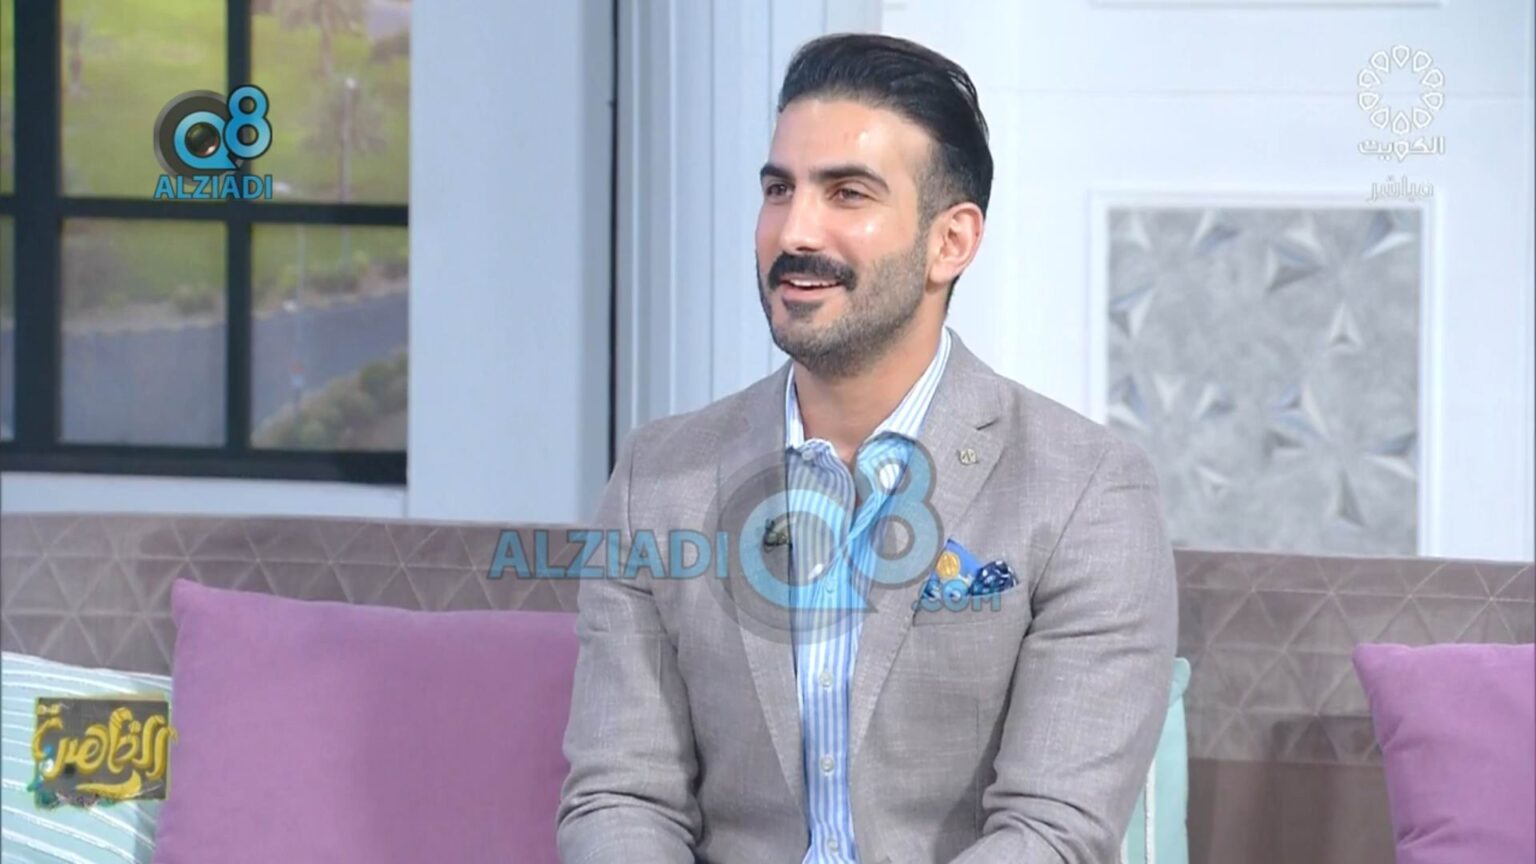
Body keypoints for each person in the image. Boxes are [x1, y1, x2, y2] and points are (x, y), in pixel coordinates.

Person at [558, 33, 1176, 864]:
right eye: (779, 190)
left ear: (950, 242)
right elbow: (621, 797)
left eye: (847, 193)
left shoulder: (1086, 490)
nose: (794, 230)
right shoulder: (656, 480)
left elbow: (1051, 833)